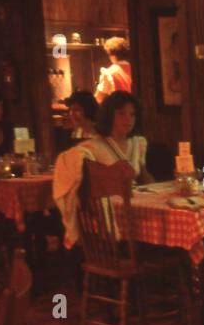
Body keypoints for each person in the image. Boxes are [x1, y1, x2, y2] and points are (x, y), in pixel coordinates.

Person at [53, 90, 152, 248]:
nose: (128, 119)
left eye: (132, 114)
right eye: (121, 113)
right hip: (108, 224)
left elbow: (143, 176)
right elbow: (70, 163)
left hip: (138, 210)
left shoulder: (137, 143)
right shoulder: (93, 147)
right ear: (109, 115)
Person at [93, 37, 132, 103]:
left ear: (113, 56)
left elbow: (98, 98)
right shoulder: (135, 69)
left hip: (118, 110)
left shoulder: (109, 72)